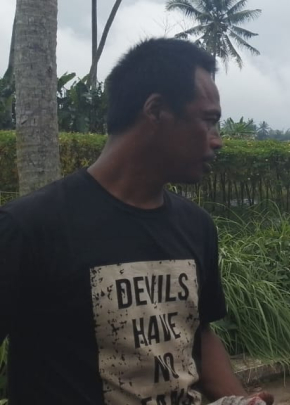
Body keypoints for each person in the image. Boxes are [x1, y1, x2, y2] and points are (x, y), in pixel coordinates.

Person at [0, 38, 274, 405]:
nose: (218, 141)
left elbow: (199, 334)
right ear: (156, 110)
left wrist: (240, 400)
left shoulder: (196, 226)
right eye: (208, 121)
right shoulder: (29, 228)